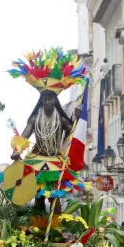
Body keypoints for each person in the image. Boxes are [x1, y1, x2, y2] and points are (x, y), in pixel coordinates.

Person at [8, 48, 88, 211]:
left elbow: (71, 132)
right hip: (36, 158)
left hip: (55, 159)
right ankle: (37, 229)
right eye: (45, 99)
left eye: (51, 99)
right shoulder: (35, 118)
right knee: (37, 197)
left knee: (53, 197)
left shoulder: (62, 118)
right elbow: (25, 134)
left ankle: (55, 231)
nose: (48, 102)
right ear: (41, 100)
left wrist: (75, 119)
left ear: (55, 100)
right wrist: (17, 150)